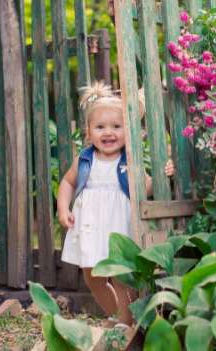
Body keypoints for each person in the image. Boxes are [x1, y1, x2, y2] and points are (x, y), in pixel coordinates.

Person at [57, 81, 175, 330]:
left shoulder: (128, 160)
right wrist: (63, 208)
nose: (108, 133)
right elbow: (67, 182)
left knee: (120, 276)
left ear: (129, 131)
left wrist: (165, 176)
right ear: (89, 131)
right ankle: (117, 315)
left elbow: (145, 188)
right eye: (100, 127)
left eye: (116, 126)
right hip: (90, 225)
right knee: (92, 278)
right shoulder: (85, 159)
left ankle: (126, 323)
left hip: (117, 225)